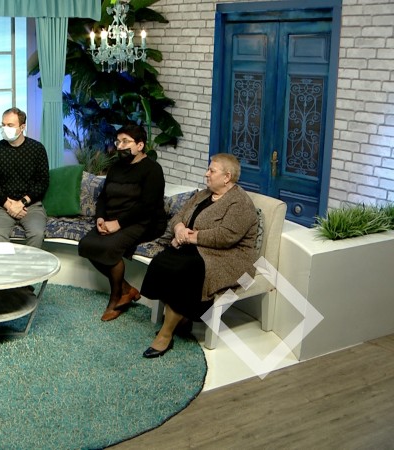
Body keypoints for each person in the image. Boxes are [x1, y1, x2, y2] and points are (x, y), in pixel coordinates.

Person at [140, 153, 259, 358]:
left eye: (212, 171)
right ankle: (182, 319)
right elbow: (179, 216)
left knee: (185, 271)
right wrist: (179, 229)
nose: (206, 174)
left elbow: (226, 237)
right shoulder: (204, 194)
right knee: (162, 261)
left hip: (229, 257)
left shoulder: (240, 203)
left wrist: (187, 238)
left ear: (227, 177)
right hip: (198, 248)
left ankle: (165, 334)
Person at [77, 124, 167, 321]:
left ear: (140, 145)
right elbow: (103, 197)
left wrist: (118, 224)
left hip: (144, 222)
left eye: (126, 142)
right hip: (112, 218)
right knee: (86, 245)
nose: (120, 146)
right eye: (118, 142)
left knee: (109, 248)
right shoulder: (116, 167)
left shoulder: (153, 169)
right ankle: (127, 289)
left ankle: (116, 297)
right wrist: (100, 218)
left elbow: (147, 206)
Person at [0, 107, 50, 249]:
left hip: (31, 206)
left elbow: (43, 182)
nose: (5, 128)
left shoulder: (37, 149)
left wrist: (22, 203)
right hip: (3, 206)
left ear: (22, 127)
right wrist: (9, 206)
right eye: (3, 124)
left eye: (10, 125)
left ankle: (28, 264)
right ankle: (10, 263)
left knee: (37, 234)